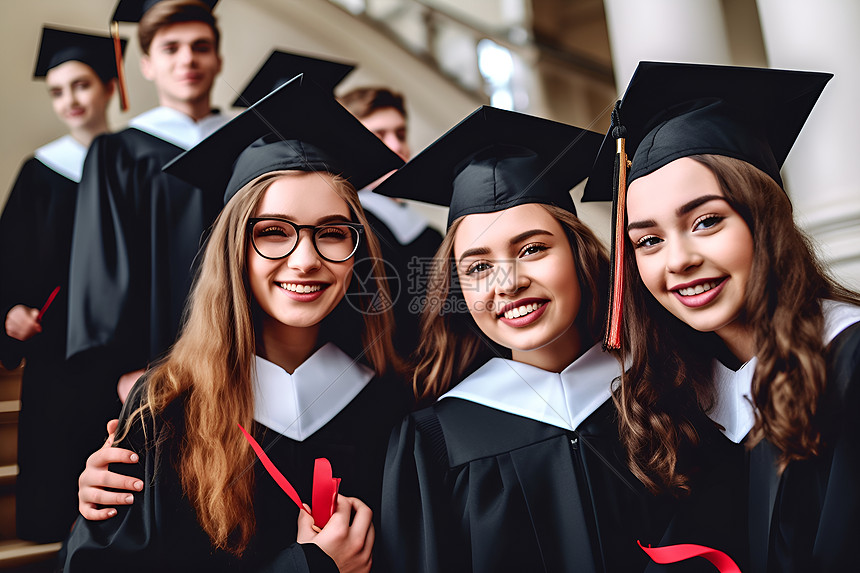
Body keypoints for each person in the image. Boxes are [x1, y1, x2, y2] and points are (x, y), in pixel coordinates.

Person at [372, 106, 741, 572]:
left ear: (581, 256)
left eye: (533, 249)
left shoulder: (672, 389)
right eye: (479, 267)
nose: (507, 283)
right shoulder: (432, 445)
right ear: (458, 291)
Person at [63, 75, 408, 572]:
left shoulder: (392, 405)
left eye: (332, 233)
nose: (305, 260)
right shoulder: (166, 408)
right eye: (272, 232)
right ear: (233, 252)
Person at [583, 61, 860, 572]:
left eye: (707, 220)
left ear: (766, 217)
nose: (678, 258)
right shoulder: (676, 399)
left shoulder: (848, 361)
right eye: (648, 240)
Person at [66, 0, 228, 404]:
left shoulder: (247, 146)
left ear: (218, 59)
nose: (187, 59)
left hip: (247, 351)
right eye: (171, 48)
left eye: (200, 46)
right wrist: (121, 368)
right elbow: (102, 266)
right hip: (153, 364)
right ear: (146, 64)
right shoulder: (117, 153)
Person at [0, 26, 125, 543]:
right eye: (57, 90)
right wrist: (9, 311)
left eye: (81, 85)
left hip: (124, 347)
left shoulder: (137, 164)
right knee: (55, 456)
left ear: (110, 88)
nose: (70, 100)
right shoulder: (41, 171)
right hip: (56, 348)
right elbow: (9, 258)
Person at [339, 86, 443, 356]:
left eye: (401, 134)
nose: (396, 146)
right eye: (379, 135)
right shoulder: (348, 230)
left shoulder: (429, 234)